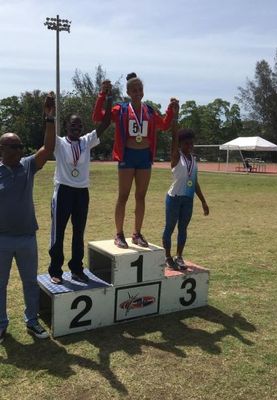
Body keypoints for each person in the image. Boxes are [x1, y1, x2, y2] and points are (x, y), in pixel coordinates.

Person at [92, 73, 179, 249]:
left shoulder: (149, 110)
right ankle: (119, 234)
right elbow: (99, 116)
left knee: (141, 196)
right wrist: (102, 95)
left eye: (140, 89)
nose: (138, 92)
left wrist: (171, 109)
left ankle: (137, 233)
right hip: (127, 156)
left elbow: (163, 125)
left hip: (144, 157)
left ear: (143, 91)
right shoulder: (121, 109)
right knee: (123, 196)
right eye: (134, 90)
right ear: (128, 92)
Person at [0, 92, 56, 342]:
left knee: (29, 282)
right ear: (2, 149)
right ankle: (1, 325)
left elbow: (48, 148)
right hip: (1, 238)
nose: (21, 150)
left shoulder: (27, 165)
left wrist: (50, 117)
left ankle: (32, 321)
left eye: (22, 146)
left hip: (26, 238)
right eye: (16, 146)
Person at [48, 99, 112, 284]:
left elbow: (106, 122)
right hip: (63, 192)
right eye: (73, 124)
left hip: (82, 192)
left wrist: (106, 97)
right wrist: (49, 117)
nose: (76, 127)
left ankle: (76, 269)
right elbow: (49, 136)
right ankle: (55, 271)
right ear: (66, 126)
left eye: (79, 125)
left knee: (78, 233)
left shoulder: (87, 141)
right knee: (58, 233)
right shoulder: (59, 143)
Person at [162, 124, 209, 270]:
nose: (189, 146)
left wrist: (203, 202)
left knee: (183, 229)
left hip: (188, 200)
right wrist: (175, 118)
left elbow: (194, 182)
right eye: (186, 143)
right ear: (180, 144)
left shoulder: (194, 161)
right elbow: (173, 140)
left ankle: (179, 256)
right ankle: (168, 257)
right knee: (169, 228)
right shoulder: (176, 156)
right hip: (174, 198)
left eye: (191, 143)